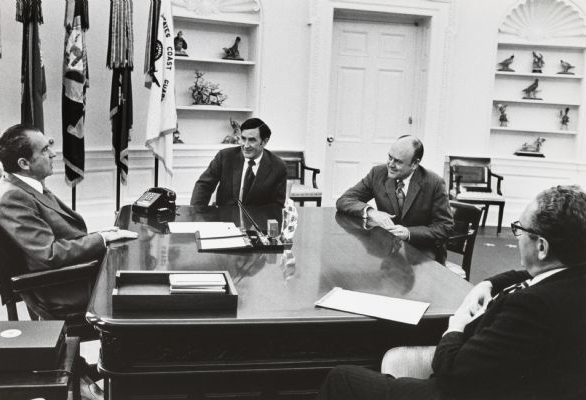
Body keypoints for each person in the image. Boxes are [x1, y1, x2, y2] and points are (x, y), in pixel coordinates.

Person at [318, 185, 586, 400]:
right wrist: (488, 284)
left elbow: (451, 371)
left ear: (541, 247)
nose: (516, 236)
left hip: (460, 389)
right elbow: (526, 275)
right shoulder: (571, 274)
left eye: (519, 230)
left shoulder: (531, 308)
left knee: (342, 378)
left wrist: (455, 327)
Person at [0, 124, 138, 400]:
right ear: (24, 163)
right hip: (61, 289)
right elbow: (49, 254)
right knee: (145, 298)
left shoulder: (26, 185)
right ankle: (135, 376)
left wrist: (102, 237)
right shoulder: (12, 196)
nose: (53, 154)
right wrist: (101, 239)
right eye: (45, 150)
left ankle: (111, 372)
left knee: (137, 270)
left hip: (74, 276)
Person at [336, 135, 453, 262]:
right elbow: (345, 199)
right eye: (389, 157)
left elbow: (445, 227)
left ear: (414, 164)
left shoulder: (434, 183)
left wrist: (408, 233)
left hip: (421, 252)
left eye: (398, 161)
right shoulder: (378, 174)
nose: (390, 164)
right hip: (386, 248)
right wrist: (372, 212)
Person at [190, 117, 287, 207]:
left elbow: (277, 206)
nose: (245, 145)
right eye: (243, 139)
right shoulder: (225, 156)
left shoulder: (278, 166)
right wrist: (197, 214)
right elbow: (204, 186)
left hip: (258, 221)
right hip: (224, 219)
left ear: (264, 142)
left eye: (252, 140)